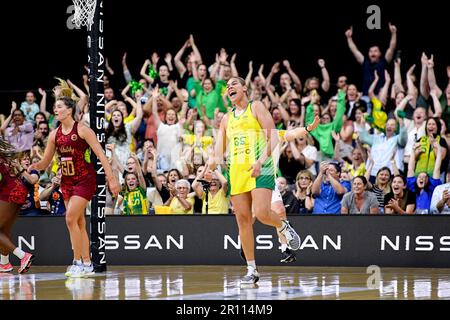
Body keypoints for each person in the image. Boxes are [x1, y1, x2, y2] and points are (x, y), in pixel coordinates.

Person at [208, 76, 301, 287]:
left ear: (244, 88)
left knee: (261, 212)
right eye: (227, 86)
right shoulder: (226, 119)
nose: (230, 87)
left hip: (262, 167)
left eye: (234, 84)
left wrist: (260, 161)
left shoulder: (256, 107)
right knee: (243, 220)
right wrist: (207, 169)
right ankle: (252, 269)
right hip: (238, 171)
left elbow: (274, 137)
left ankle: (283, 225)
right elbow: (218, 151)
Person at [28, 97, 120, 278]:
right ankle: (87, 264)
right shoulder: (55, 134)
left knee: (70, 218)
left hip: (85, 179)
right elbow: (46, 161)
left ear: (69, 110)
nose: (56, 109)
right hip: (67, 182)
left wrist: (112, 179)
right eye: (55, 107)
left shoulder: (83, 130)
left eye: (59, 106)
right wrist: (35, 166)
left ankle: (77, 261)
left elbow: (101, 154)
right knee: (78, 222)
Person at [0, 138, 35, 274]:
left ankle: (23, 256)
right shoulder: (3, 154)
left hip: (9, 192)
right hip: (19, 190)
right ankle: (4, 263)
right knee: (3, 230)